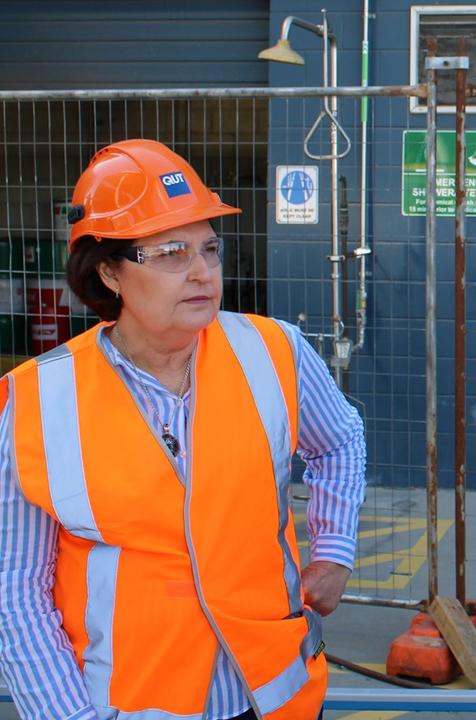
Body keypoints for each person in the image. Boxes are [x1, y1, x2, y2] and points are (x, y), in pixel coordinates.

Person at [0, 139, 367, 720]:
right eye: (171, 252)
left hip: (276, 696)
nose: (202, 273)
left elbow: (340, 440)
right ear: (108, 273)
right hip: (131, 706)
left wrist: (335, 550)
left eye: (210, 249)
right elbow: (18, 592)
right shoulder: (38, 400)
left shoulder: (273, 352)